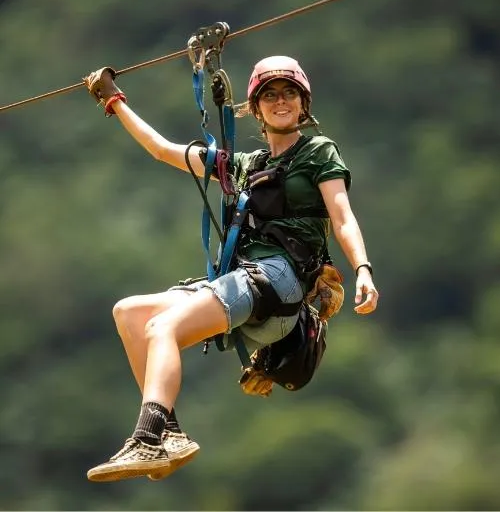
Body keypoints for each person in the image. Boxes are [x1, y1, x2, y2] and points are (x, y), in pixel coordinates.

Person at [82, 55, 379, 483]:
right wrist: (113, 99)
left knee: (161, 329)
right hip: (243, 280)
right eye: (270, 94)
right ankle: (170, 435)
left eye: (289, 93)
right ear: (255, 108)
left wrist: (363, 268)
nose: (281, 101)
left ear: (304, 104)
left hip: (280, 280)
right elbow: (162, 149)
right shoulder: (241, 166)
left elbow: (342, 215)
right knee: (129, 312)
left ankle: (146, 437)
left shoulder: (318, 151)